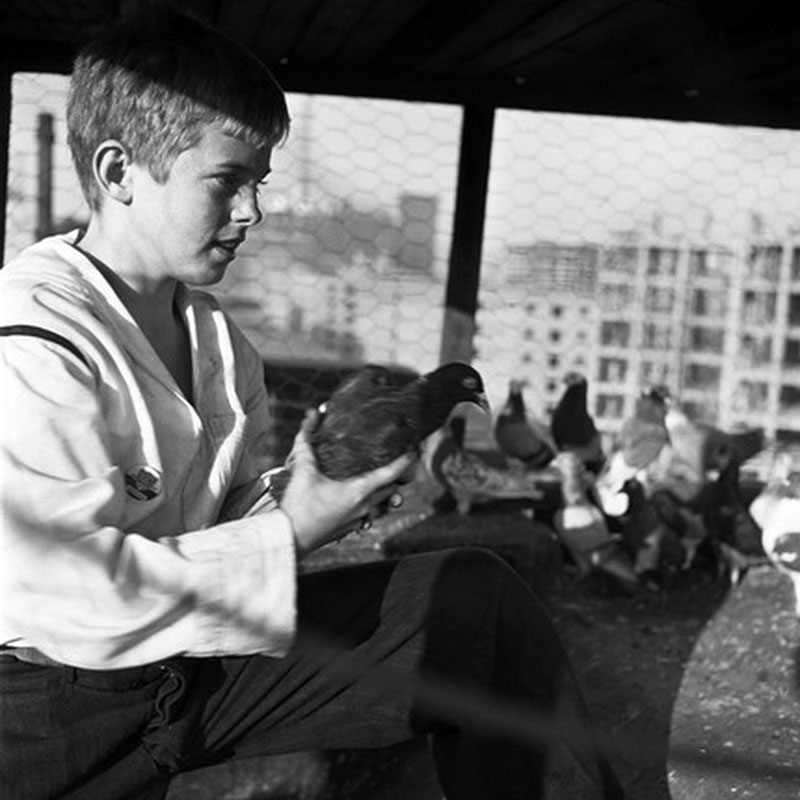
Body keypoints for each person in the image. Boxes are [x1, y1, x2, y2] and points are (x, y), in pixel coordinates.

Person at [0, 6, 626, 799]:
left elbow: (206, 526)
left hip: (186, 670)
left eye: (258, 183)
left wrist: (305, 493)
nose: (252, 211)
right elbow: (59, 598)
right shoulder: (33, 344)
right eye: (228, 181)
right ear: (120, 172)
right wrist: (294, 530)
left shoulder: (222, 346)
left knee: (475, 606)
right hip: (46, 717)